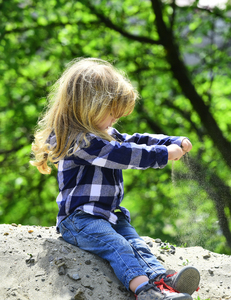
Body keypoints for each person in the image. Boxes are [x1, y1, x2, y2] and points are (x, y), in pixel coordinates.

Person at [30, 58, 200, 300]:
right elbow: (121, 154)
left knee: (136, 244)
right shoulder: (78, 141)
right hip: (80, 220)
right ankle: (145, 292)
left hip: (109, 214)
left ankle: (162, 280)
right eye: (112, 113)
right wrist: (163, 155)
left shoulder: (105, 133)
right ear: (88, 106)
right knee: (117, 246)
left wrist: (168, 141)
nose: (115, 121)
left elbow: (135, 141)